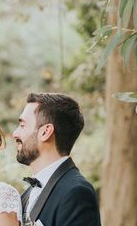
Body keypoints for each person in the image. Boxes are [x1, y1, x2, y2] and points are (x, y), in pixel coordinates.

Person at [13, 92, 101, 226]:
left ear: (45, 132)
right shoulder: (26, 195)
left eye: (22, 125)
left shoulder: (76, 192)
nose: (15, 133)